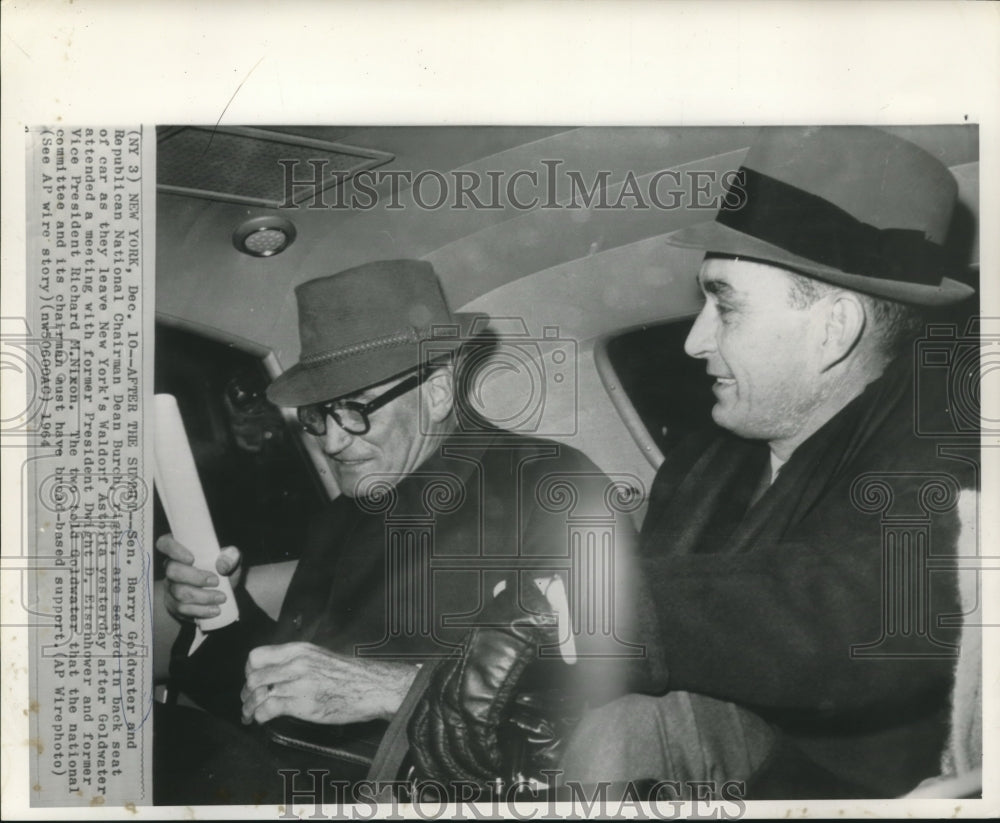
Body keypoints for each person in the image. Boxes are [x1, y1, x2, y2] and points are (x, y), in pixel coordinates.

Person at [408, 127, 979, 799]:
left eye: (725, 304)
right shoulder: (704, 462)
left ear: (835, 328)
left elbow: (869, 600)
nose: (694, 338)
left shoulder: (951, 438)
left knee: (634, 726)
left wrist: (575, 604)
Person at [153, 259, 636, 804]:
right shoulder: (343, 516)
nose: (333, 442)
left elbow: (598, 703)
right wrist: (216, 611)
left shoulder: (553, 485)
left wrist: (387, 690)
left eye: (356, 410)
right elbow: (276, 696)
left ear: (436, 392)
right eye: (318, 414)